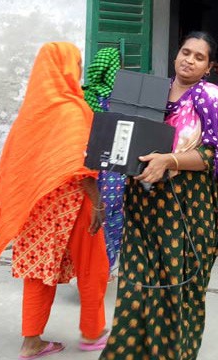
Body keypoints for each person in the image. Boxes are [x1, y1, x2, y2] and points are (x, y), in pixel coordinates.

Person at [100, 32, 218, 360]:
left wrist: (170, 160)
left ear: (209, 66)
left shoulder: (209, 97)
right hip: (142, 202)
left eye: (199, 57)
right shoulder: (152, 92)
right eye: (186, 52)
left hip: (187, 207)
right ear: (176, 54)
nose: (189, 60)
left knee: (177, 289)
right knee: (136, 285)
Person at [0, 42, 110, 359]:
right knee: (94, 265)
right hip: (75, 203)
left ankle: (31, 341)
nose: (79, 70)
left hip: (35, 205)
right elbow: (80, 166)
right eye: (76, 64)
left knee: (39, 272)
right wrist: (99, 204)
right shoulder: (71, 110)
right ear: (66, 68)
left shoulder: (32, 112)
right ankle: (93, 333)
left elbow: (18, 163)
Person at [82, 47, 125, 270]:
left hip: (89, 170)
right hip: (115, 169)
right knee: (114, 217)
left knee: (91, 219)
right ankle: (105, 268)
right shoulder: (119, 99)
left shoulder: (84, 96)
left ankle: (87, 269)